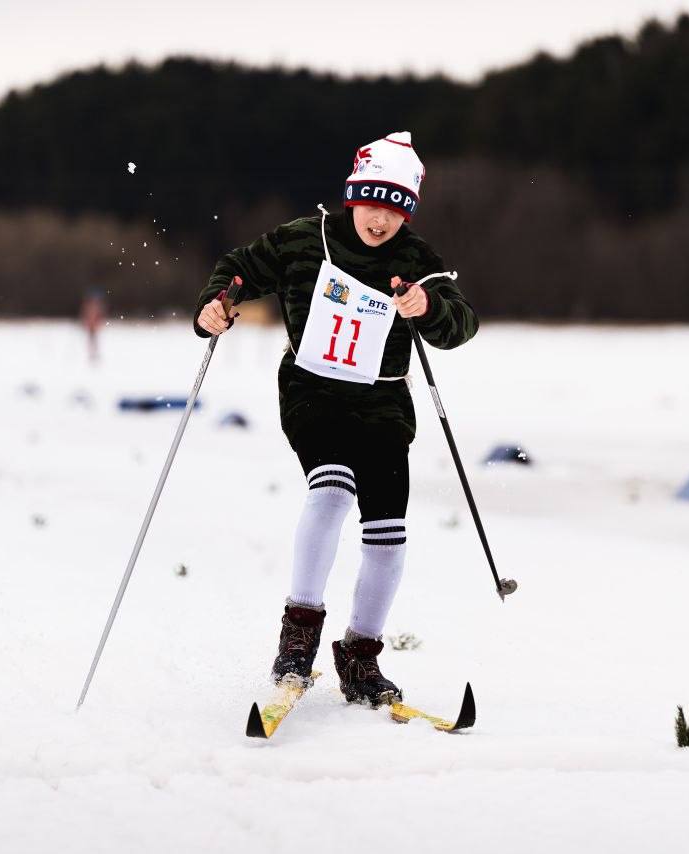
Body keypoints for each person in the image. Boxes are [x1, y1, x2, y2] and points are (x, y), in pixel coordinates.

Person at [193, 132, 478, 706]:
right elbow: (239, 270)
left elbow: (461, 324)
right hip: (312, 390)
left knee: (388, 530)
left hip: (382, 403)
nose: (381, 219)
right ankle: (297, 639)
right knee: (331, 490)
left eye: (395, 209)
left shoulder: (417, 261)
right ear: (353, 197)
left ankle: (360, 657)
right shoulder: (306, 240)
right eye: (372, 203)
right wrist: (217, 303)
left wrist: (431, 308)